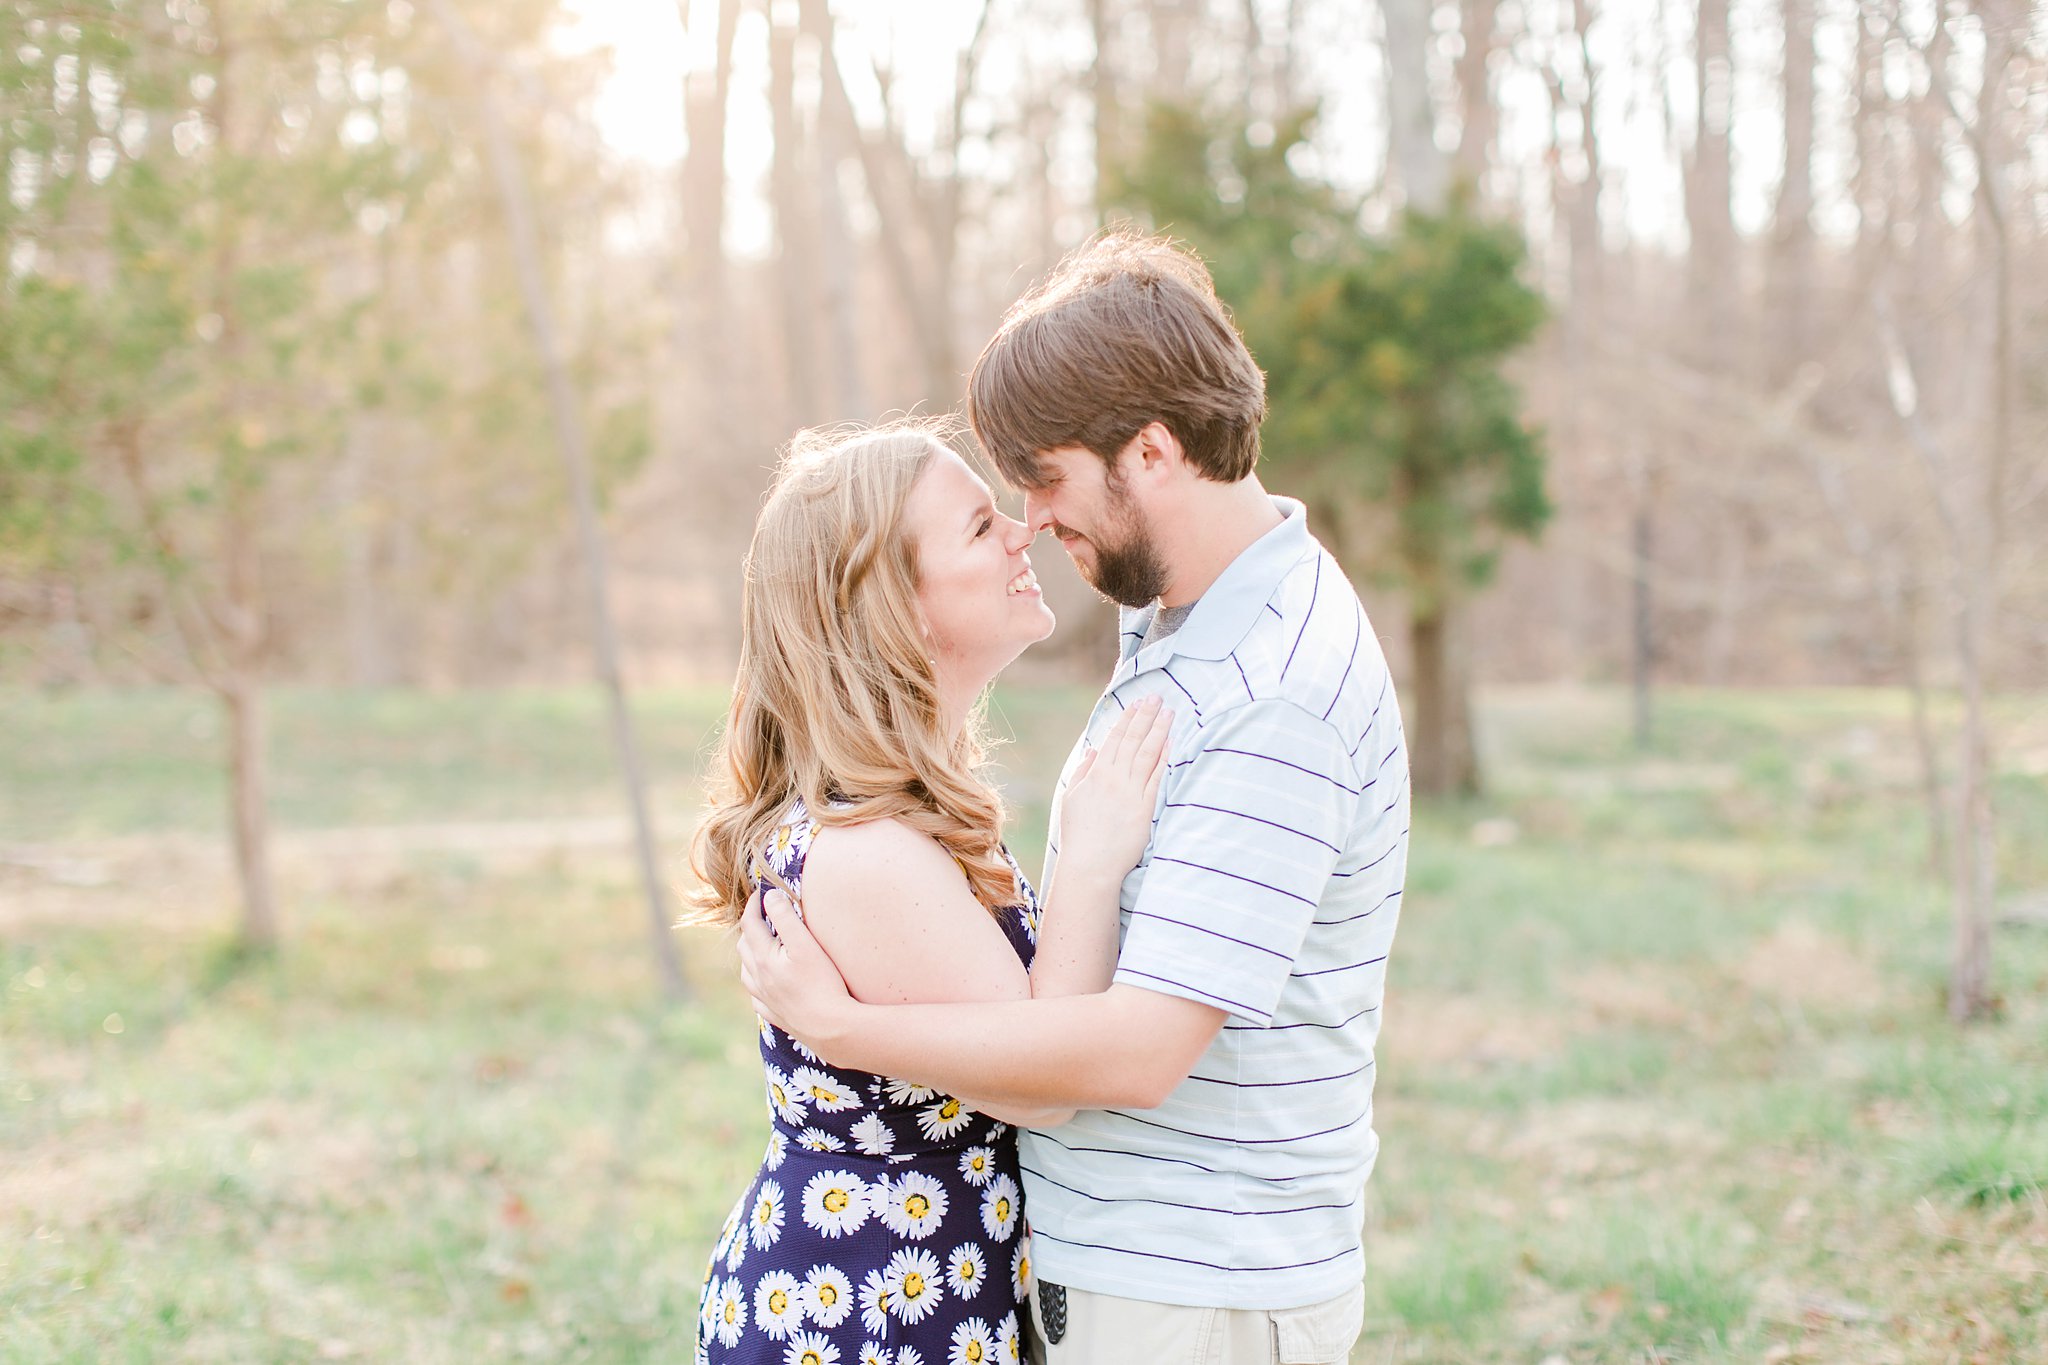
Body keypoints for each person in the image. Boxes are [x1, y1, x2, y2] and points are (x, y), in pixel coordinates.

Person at [739, 234, 1410, 1365]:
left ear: (1149, 451)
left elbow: (1140, 1051)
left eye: (1044, 479)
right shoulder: (1178, 621)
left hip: (1195, 1282)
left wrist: (847, 1031)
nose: (1034, 522)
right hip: (1110, 1273)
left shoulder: (1271, 690)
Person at [685, 424, 1174, 1365]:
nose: (1020, 534)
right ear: (895, 608)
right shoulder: (864, 851)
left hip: (911, 1288)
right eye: (979, 526)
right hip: (871, 1311)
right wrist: (1090, 862)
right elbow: (1047, 1084)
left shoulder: (890, 820)